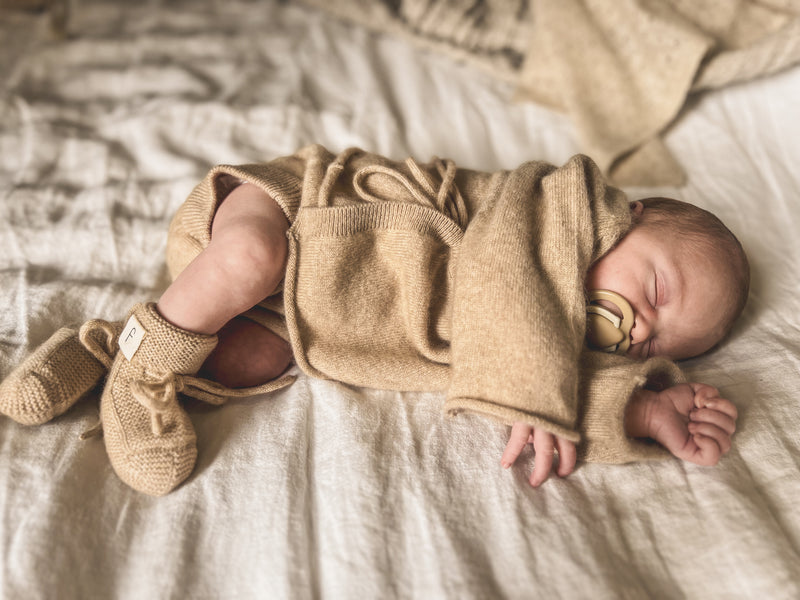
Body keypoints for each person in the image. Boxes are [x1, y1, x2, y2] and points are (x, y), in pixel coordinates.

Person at [0, 145, 748, 496]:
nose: (639, 323)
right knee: (249, 258)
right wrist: (536, 391)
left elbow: (543, 394)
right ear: (633, 215)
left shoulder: (538, 352)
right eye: (655, 285)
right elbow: (508, 290)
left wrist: (644, 409)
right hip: (300, 210)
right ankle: (141, 381)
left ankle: (104, 349)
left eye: (658, 338)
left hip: (307, 315)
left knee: (247, 363)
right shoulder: (559, 205)